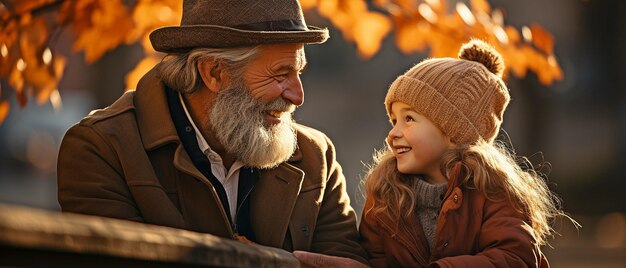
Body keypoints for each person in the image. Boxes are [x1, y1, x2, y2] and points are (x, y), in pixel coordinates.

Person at [57, 0, 367, 266]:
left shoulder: (316, 157)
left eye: (298, 72)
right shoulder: (100, 149)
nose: (298, 96)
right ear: (214, 73)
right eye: (281, 74)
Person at [359, 40, 568, 267]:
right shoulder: (384, 195)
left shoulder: (493, 192)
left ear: (452, 132)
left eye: (408, 119)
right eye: (394, 120)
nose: (392, 133)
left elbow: (515, 257)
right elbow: (373, 259)